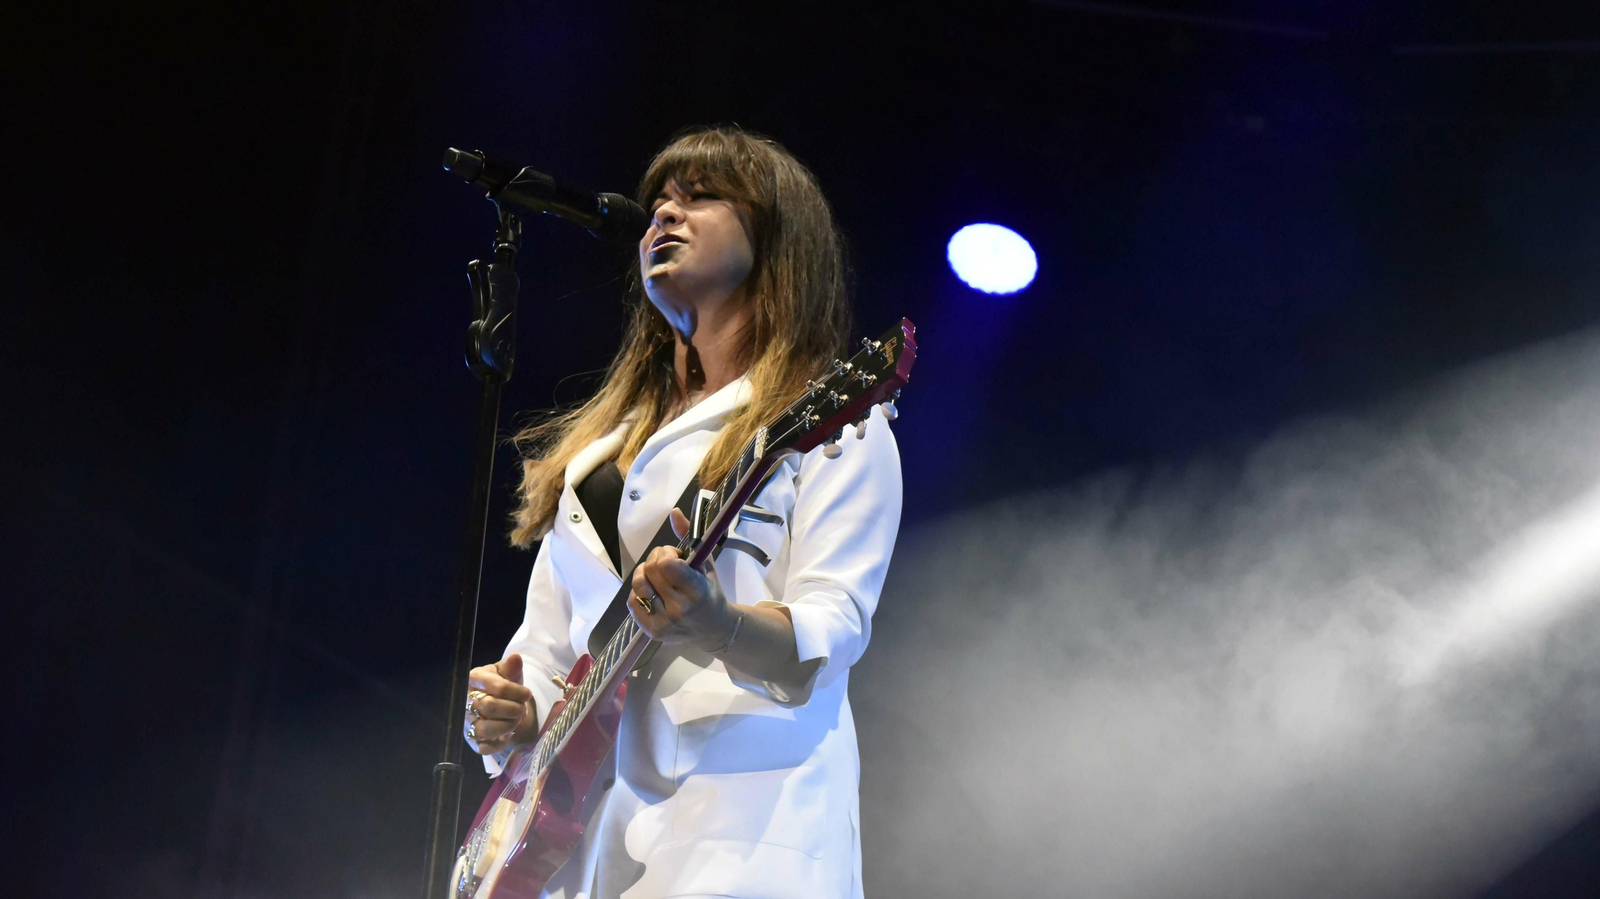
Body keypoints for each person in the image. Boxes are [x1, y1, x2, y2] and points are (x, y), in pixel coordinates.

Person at [461, 126, 902, 898]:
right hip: (592, 855)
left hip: (746, 839)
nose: (664, 213)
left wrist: (719, 624)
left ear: (775, 240)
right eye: (659, 198)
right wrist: (514, 712)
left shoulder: (833, 423)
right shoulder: (597, 457)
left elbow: (831, 631)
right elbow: (548, 652)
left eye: (700, 197)